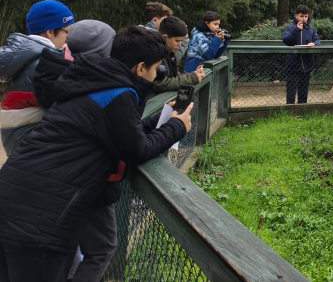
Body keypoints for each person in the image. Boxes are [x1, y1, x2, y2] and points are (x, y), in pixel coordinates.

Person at [0, 26, 192, 282]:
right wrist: (178, 127)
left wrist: (162, 119)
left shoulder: (92, 81)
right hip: (40, 219)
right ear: (140, 67)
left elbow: (121, 134)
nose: (157, 74)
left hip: (15, 198)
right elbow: (137, 149)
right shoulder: (118, 93)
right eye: (156, 68)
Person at [31, 19, 118, 282]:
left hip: (46, 178)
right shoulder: (99, 87)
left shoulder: (59, 78)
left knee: (68, 244)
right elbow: (129, 141)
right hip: (80, 180)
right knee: (101, 248)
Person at [0, 0, 75, 154]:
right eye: (67, 32)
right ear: (50, 32)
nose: (68, 39)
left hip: (15, 136)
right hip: (30, 141)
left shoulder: (23, 57)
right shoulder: (44, 63)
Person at [150, 16, 206, 98]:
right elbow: (160, 84)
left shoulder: (171, 52)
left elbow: (172, 77)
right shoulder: (154, 53)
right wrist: (192, 77)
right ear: (164, 37)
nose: (179, 44)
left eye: (181, 41)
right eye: (177, 41)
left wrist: (193, 74)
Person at [282, 5, 321, 104]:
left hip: (306, 64)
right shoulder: (290, 28)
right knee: (291, 90)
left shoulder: (311, 30)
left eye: (305, 16)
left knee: (304, 90)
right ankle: (289, 110)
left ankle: (302, 109)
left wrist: (314, 44)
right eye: (301, 16)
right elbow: (286, 40)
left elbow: (317, 41)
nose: (304, 19)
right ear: (296, 16)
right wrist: (297, 30)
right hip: (293, 64)